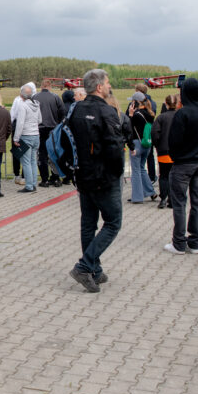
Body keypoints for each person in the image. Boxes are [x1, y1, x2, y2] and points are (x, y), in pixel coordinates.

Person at [67, 69, 128, 293]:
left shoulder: (75, 109)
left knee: (88, 224)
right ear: (100, 86)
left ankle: (94, 269)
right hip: (103, 177)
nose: (110, 86)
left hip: (82, 175)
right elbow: (115, 148)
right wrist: (116, 174)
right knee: (113, 222)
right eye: (108, 82)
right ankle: (84, 266)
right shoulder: (106, 111)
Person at [164, 79, 198, 254]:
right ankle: (195, 242)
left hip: (183, 163)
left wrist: (175, 156)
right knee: (197, 203)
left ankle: (179, 242)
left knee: (179, 204)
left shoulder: (182, 113)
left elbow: (174, 140)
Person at [34, 79, 65, 187]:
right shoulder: (55, 97)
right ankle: (55, 178)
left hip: (39, 128)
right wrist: (59, 124)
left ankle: (44, 179)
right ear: (50, 86)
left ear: (41, 86)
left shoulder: (35, 97)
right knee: (53, 153)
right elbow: (62, 112)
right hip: (53, 129)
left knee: (41, 154)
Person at [127, 91, 157, 203]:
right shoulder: (149, 114)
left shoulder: (136, 115)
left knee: (136, 170)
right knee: (141, 168)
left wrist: (130, 115)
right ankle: (150, 191)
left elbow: (129, 128)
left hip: (137, 144)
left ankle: (137, 197)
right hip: (147, 144)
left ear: (136, 102)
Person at [151, 94, 178, 209]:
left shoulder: (161, 118)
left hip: (163, 150)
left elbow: (155, 133)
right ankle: (172, 199)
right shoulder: (180, 116)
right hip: (177, 151)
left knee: (164, 175)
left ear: (166, 104)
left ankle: (163, 198)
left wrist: (157, 145)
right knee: (175, 176)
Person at [13, 83, 41, 193]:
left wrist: (16, 138)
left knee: (26, 162)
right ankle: (33, 184)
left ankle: (29, 186)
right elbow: (40, 120)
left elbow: (20, 123)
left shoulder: (23, 106)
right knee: (33, 161)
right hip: (36, 135)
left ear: (22, 95)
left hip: (26, 135)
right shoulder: (37, 104)